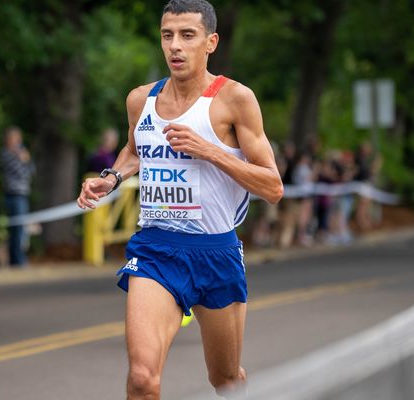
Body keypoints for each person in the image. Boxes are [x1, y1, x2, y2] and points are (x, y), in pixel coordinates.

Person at [77, 1, 283, 398]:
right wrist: (112, 177)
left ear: (210, 42)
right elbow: (136, 150)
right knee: (142, 379)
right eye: (167, 35)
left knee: (225, 380)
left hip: (216, 253)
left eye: (187, 35)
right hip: (156, 250)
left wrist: (211, 151)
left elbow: (273, 187)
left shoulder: (235, 99)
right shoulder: (142, 100)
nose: (175, 45)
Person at [1, 126, 35, 267]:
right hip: (13, 195)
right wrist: (24, 159)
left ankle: (17, 259)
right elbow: (23, 173)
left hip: (22, 194)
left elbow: (32, 170)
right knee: (16, 229)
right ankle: (17, 260)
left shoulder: (21, 154)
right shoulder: (6, 154)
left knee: (20, 229)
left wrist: (26, 160)